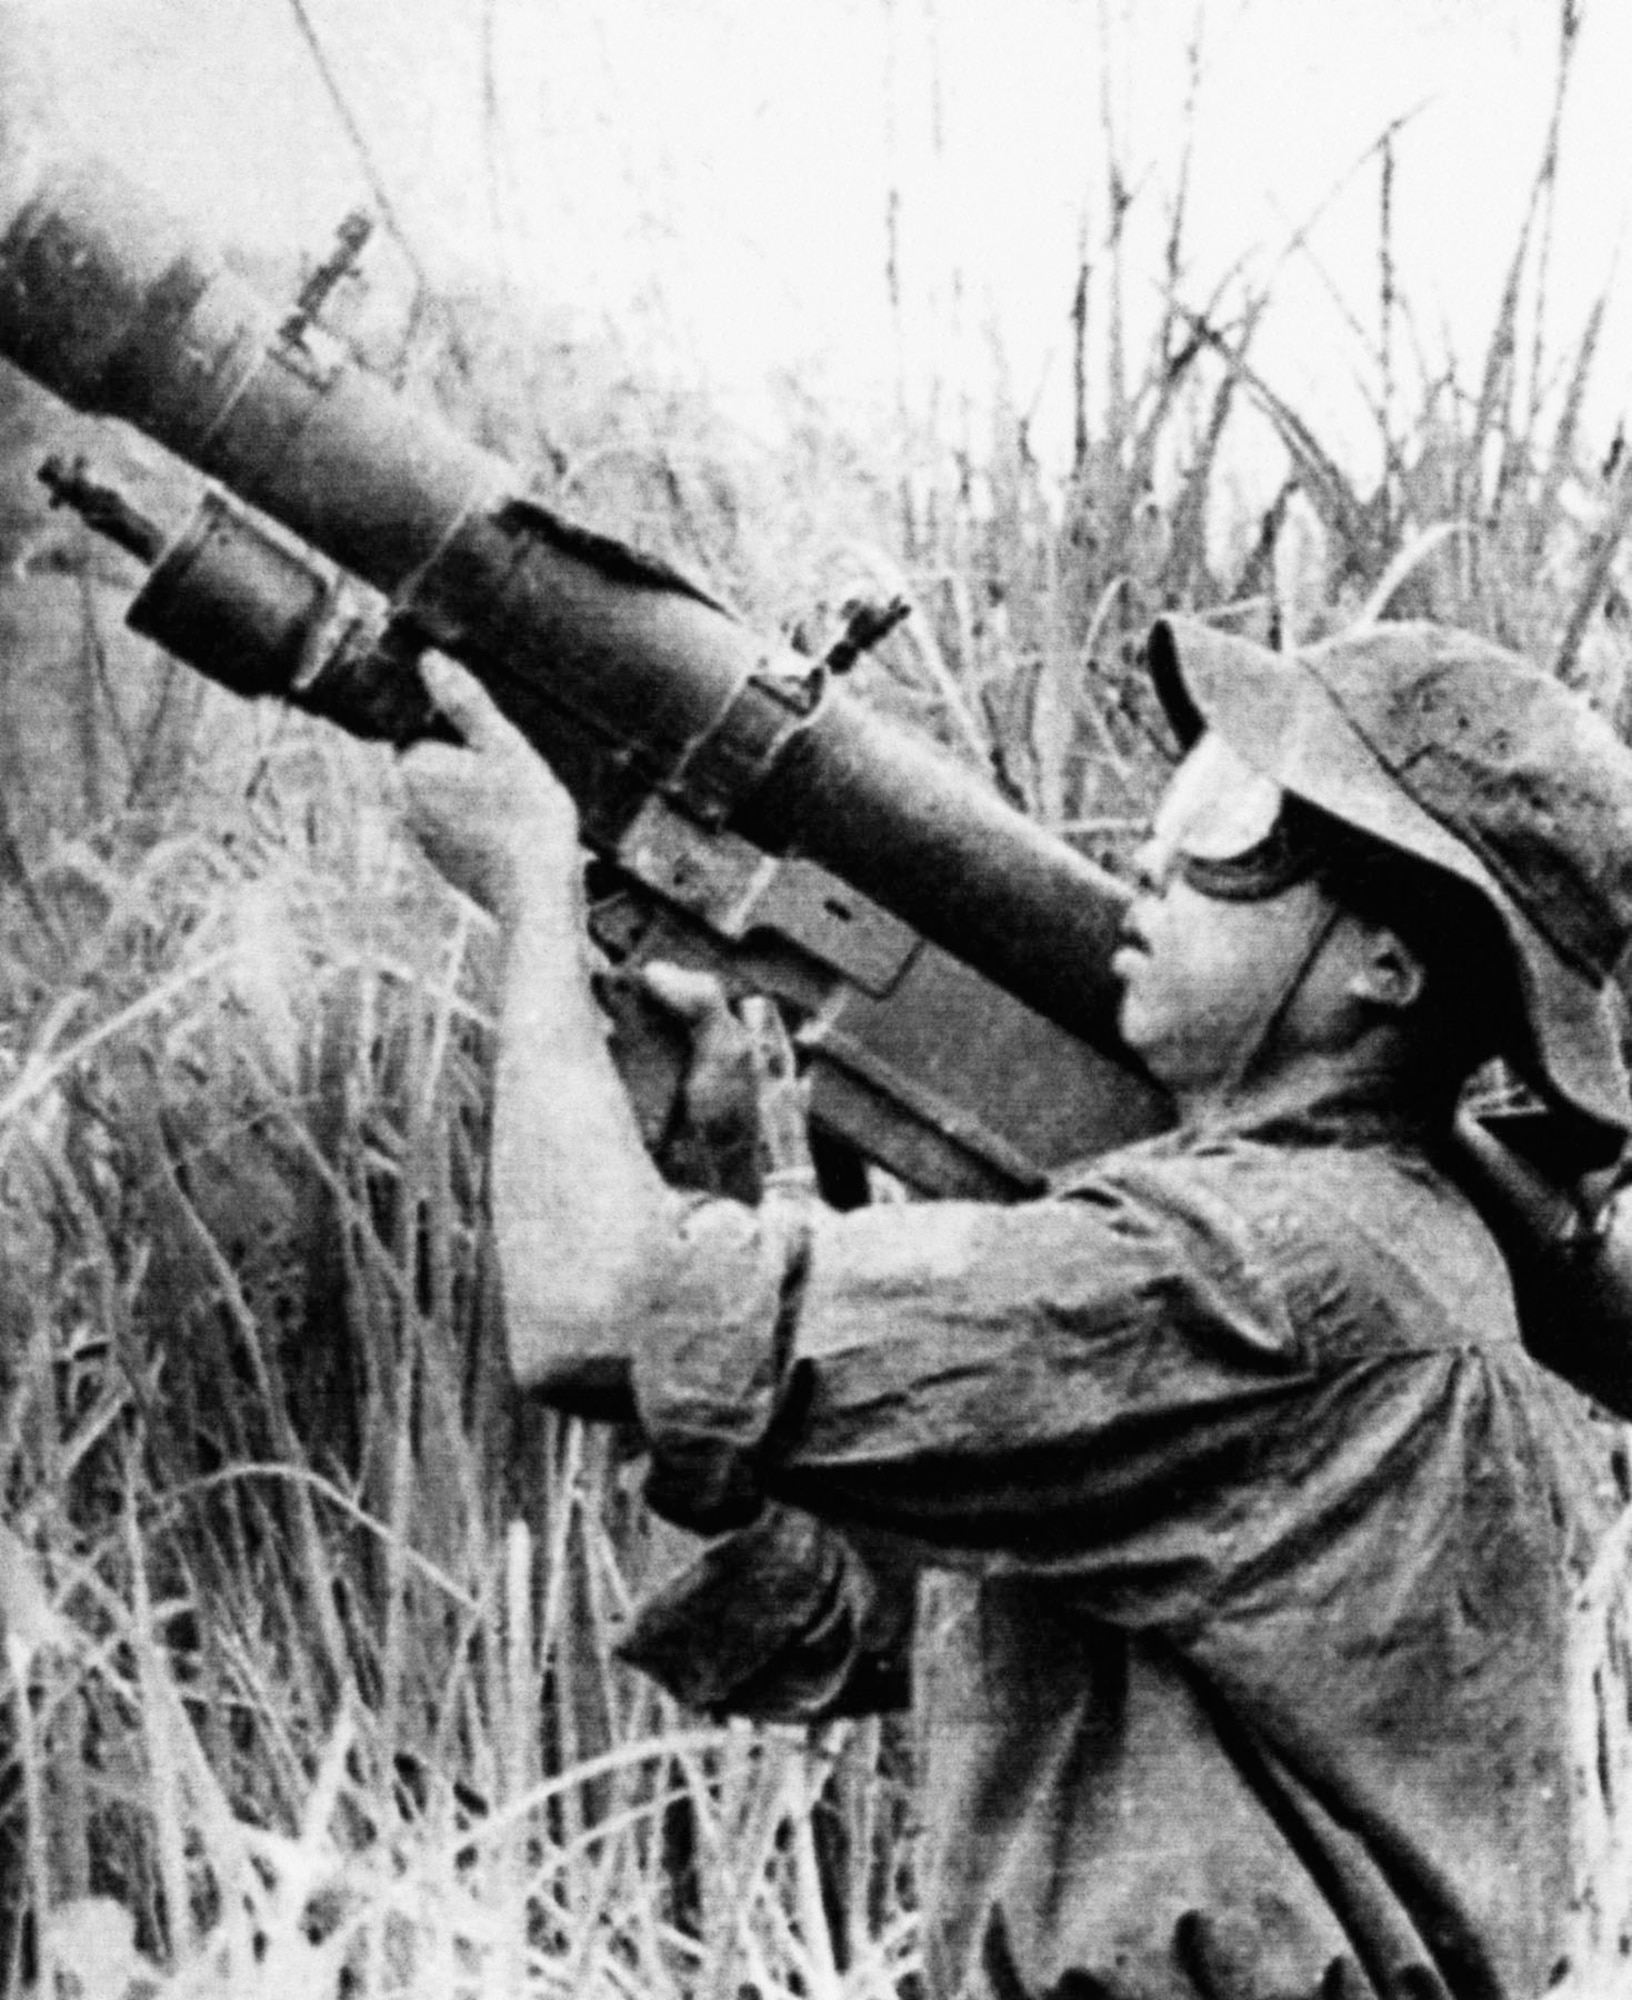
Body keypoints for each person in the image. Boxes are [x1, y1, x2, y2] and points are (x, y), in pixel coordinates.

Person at [400, 614, 1632, 2000]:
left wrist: (532, 910)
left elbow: (584, 1307)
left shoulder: (1265, 1267)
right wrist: (715, 1165)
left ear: (1387, 967)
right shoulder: (1346, 1251)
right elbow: (833, 1624)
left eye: (1235, 826)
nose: (1155, 861)